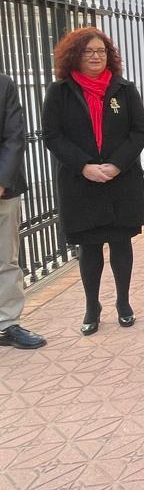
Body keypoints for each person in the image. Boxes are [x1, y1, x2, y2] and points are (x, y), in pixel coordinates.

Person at [42, 27, 144, 336]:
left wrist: (116, 164)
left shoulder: (124, 89)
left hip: (121, 180)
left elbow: (139, 130)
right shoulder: (59, 92)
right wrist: (85, 166)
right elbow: (52, 135)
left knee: (121, 243)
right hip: (81, 182)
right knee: (89, 248)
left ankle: (124, 304)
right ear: (75, 55)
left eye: (101, 51)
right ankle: (92, 307)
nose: (96, 57)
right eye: (89, 51)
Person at [0, 73, 46, 349]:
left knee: (6, 260)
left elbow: (14, 136)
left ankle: (7, 324)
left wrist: (2, 181)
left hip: (3, 191)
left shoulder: (4, 84)